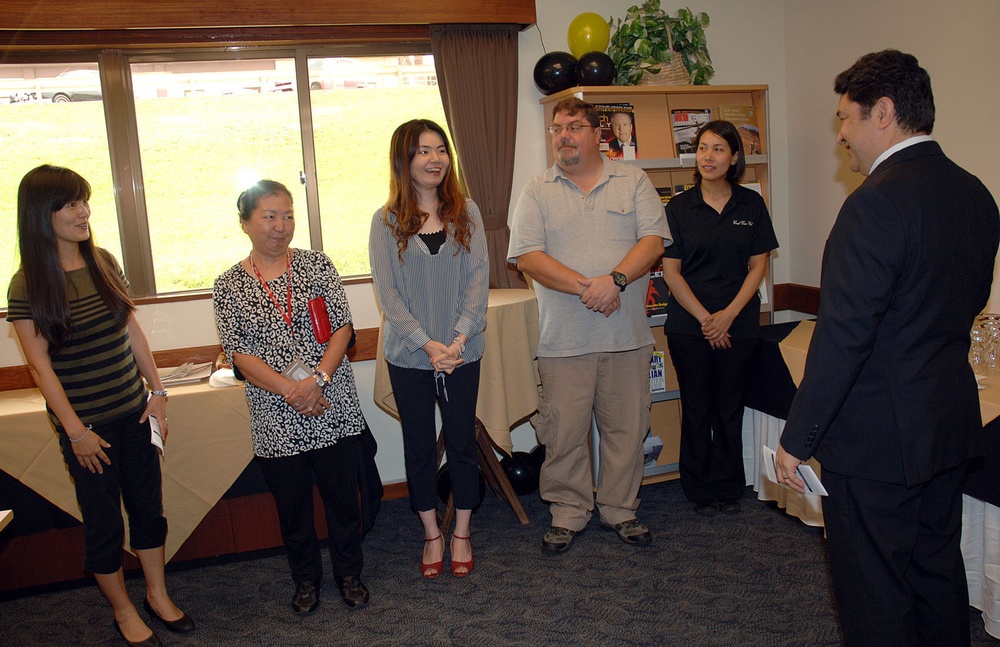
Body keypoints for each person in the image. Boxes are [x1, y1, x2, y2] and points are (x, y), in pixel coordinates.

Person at [776, 50, 1000, 646]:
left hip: (878, 443)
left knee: (873, 593)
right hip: (947, 422)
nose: (842, 135)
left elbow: (845, 336)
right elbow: (966, 305)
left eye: (846, 119)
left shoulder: (874, 202)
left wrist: (797, 441)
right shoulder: (976, 195)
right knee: (936, 574)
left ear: (884, 112)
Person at [8, 165, 194, 647]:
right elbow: (40, 368)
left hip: (136, 414)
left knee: (148, 511)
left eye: (84, 201)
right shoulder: (27, 283)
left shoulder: (104, 261)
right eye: (70, 204)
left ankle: (156, 594)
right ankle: (123, 610)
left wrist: (157, 395)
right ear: (40, 214)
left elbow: (131, 331)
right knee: (105, 524)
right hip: (87, 430)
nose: (83, 212)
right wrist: (76, 432)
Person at [508, 97, 669, 553]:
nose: (564, 135)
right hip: (563, 342)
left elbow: (653, 241)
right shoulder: (537, 189)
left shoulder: (633, 180)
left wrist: (615, 281)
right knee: (564, 435)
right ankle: (568, 512)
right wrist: (589, 288)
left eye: (575, 126)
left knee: (627, 429)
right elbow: (527, 257)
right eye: (557, 128)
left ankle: (621, 509)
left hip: (626, 338)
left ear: (597, 134)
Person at [213, 180, 370, 613]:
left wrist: (316, 381)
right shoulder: (228, 285)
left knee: (342, 499)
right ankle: (305, 580)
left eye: (287, 215)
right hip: (275, 414)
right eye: (269, 216)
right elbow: (240, 354)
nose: (281, 226)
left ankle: (349, 573)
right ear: (245, 223)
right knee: (293, 507)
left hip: (330, 402)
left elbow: (342, 328)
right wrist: (292, 391)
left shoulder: (318, 266)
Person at [369, 119, 488, 579]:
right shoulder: (385, 221)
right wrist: (427, 344)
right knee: (418, 445)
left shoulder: (469, 213)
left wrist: (456, 341)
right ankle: (431, 535)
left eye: (441, 150)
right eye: (423, 151)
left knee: (461, 441)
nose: (435, 159)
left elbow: (478, 282)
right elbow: (388, 293)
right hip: (410, 355)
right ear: (405, 159)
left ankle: (461, 532)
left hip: (463, 352)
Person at [662, 121, 778, 517]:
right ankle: (697, 489)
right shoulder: (678, 208)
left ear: (734, 158)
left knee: (729, 406)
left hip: (739, 323)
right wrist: (706, 320)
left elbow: (758, 267)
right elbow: (672, 272)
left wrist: (727, 316)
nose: (708, 157)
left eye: (718, 150)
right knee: (696, 406)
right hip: (688, 325)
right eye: (703, 148)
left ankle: (728, 487)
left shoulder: (751, 204)